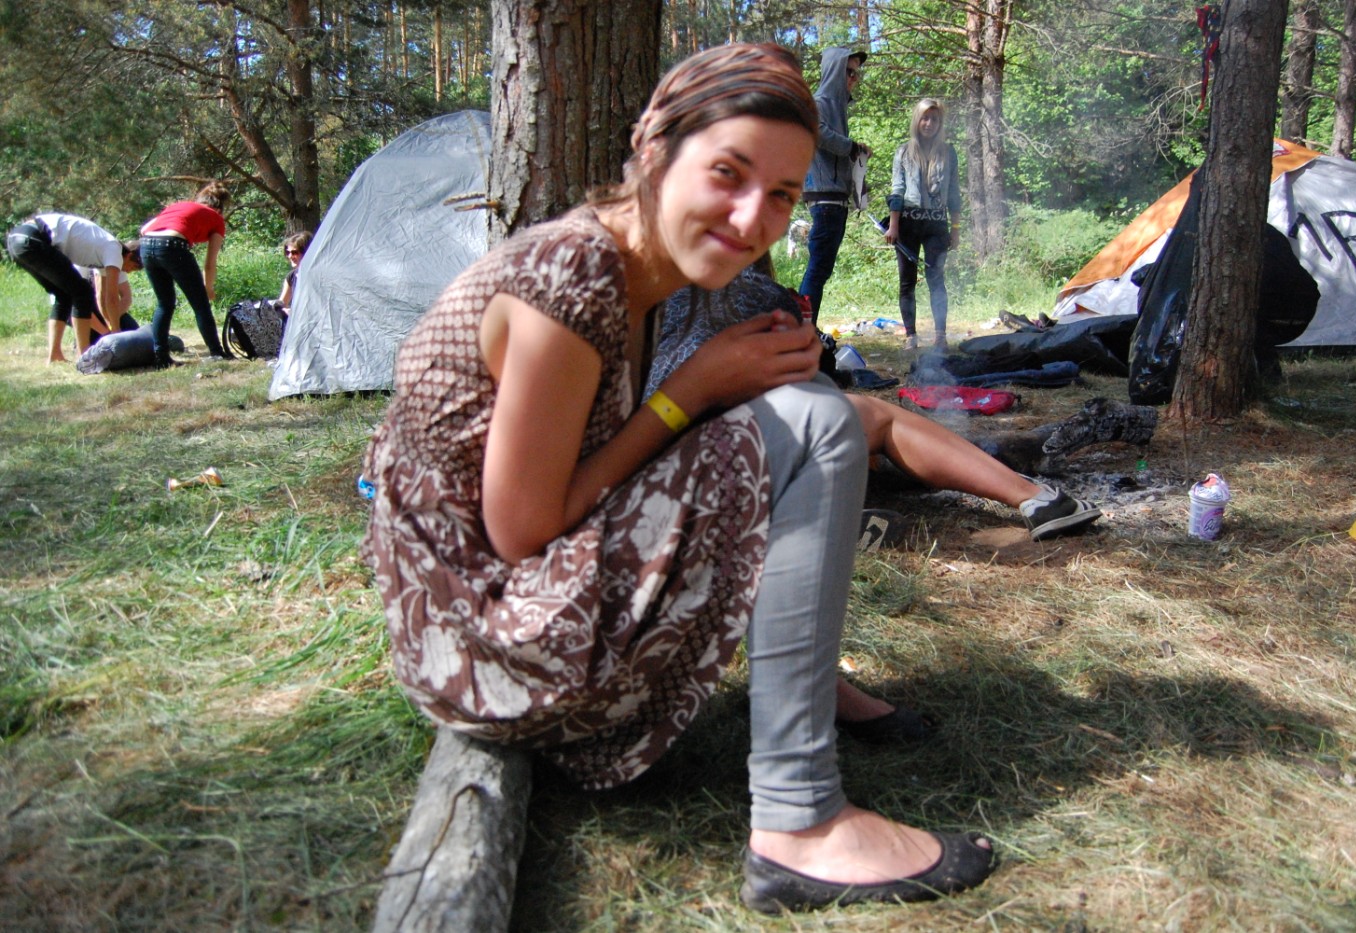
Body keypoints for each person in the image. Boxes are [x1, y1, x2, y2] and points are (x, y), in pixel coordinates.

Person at [362, 43, 995, 915]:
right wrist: (691, 392)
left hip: (504, 613)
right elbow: (520, 530)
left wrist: (726, 386)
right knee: (818, 425)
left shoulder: (649, 271)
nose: (751, 217)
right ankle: (800, 822)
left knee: (809, 411)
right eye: (727, 173)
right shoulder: (571, 274)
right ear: (654, 148)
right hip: (489, 646)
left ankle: (806, 686)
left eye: (781, 194)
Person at [649, 264, 1102, 542]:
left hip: (658, 461)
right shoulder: (752, 292)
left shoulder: (648, 294)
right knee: (873, 416)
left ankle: (801, 510)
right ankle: (1037, 499)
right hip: (713, 460)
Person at [5, 213, 141, 364]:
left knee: (63, 295)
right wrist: (117, 335)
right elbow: (112, 298)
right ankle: (84, 356)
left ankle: (55, 355)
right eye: (133, 267)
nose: (128, 271)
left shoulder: (105, 253)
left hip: (17, 241)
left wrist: (110, 328)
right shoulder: (113, 248)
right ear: (128, 255)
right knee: (82, 292)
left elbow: (101, 298)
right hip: (33, 239)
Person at [797, 46, 870, 327]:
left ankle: (806, 330)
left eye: (856, 74)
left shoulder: (837, 108)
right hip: (824, 199)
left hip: (835, 199)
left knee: (821, 270)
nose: (853, 78)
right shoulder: (818, 103)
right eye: (848, 72)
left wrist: (857, 159)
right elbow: (819, 133)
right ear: (833, 71)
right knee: (817, 271)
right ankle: (804, 331)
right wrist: (851, 147)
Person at [886, 98, 961, 352]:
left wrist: (956, 230)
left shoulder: (948, 152)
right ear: (917, 121)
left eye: (935, 119)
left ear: (940, 123)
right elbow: (897, 190)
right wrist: (893, 226)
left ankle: (940, 335)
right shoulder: (903, 152)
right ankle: (911, 335)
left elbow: (954, 193)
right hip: (908, 224)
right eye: (925, 118)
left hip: (937, 225)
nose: (929, 124)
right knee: (907, 281)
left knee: (936, 279)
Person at [139, 181, 233, 366]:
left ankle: (161, 357)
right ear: (219, 208)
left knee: (165, 303)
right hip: (173, 246)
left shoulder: (178, 206)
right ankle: (216, 352)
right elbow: (210, 263)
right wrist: (208, 287)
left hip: (146, 246)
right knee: (200, 304)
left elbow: (144, 229)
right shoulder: (216, 218)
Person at [276, 231, 312, 310]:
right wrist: (285, 310)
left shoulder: (319, 275)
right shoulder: (291, 277)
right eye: (288, 252)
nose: (290, 256)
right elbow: (282, 303)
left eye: (294, 252)